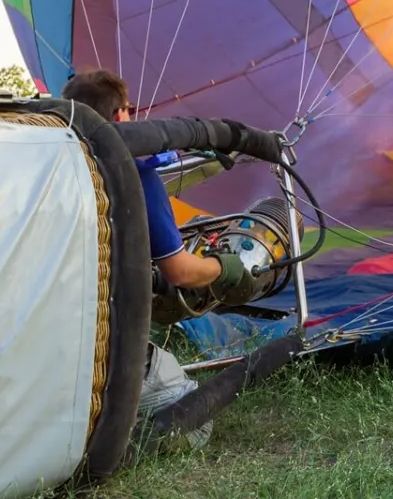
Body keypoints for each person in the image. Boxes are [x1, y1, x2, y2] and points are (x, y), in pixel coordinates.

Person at [60, 68, 255, 450]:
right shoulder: (133, 174)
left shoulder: (57, 168)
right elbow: (181, 272)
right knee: (195, 428)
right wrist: (225, 267)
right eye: (130, 111)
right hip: (104, 347)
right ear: (119, 117)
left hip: (53, 335)